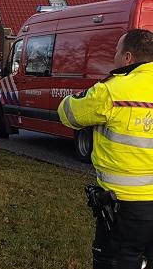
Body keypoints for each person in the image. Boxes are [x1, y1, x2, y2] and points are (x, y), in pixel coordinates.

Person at [57, 29, 153, 269]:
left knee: (117, 260)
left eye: (117, 52)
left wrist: (79, 96)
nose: (114, 57)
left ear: (128, 57)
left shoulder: (112, 90)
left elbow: (68, 114)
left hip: (125, 205)